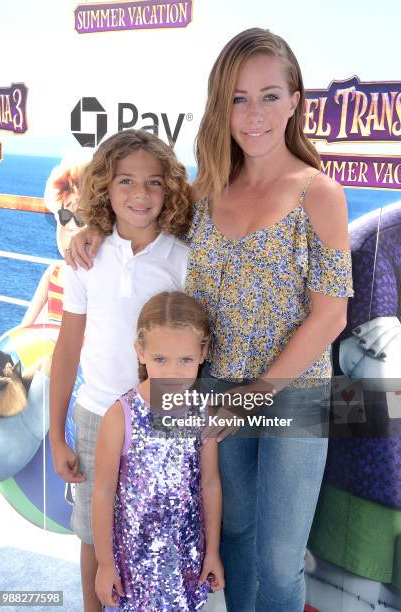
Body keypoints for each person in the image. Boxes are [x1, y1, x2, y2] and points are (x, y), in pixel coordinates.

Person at [66, 28, 353, 612]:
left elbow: (330, 316)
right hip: (217, 390)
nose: (253, 114)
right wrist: (84, 228)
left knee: (279, 562)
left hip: (294, 398)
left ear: (296, 100)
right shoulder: (203, 192)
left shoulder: (319, 194)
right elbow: (134, 214)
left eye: (270, 96)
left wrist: (254, 395)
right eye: (238, 98)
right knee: (238, 537)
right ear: (221, 106)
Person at [49, 129, 192, 612]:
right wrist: (56, 434)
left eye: (154, 183)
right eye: (126, 181)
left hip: (161, 420)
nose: (140, 194)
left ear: (170, 188)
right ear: (105, 186)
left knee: (152, 529)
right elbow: (68, 347)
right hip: (93, 415)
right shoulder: (84, 256)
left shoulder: (183, 260)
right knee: (93, 533)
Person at [92, 291, 224, 611]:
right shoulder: (121, 415)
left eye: (186, 360)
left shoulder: (202, 413)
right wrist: (104, 563)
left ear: (202, 353)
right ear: (140, 352)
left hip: (184, 559)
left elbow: (209, 484)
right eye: (161, 359)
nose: (173, 372)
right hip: (132, 564)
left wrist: (213, 552)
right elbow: (103, 491)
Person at [21, 155, 88, 326]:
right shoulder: (54, 273)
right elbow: (25, 327)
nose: (71, 225)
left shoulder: (104, 279)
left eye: (81, 217)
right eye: (65, 216)